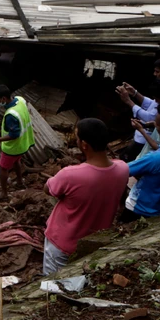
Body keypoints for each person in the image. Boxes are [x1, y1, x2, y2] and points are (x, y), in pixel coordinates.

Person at [42, 118, 129, 275]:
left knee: (53, 284)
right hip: (93, 243)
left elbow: (48, 189)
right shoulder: (123, 169)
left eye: (77, 137)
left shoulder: (70, 174)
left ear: (84, 145)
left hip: (63, 243)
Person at [0, 86, 35, 199]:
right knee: (16, 162)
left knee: (3, 168)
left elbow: (13, 135)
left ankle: (4, 194)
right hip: (24, 142)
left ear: (3, 98)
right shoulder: (20, 100)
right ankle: (20, 182)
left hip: (13, 147)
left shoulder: (11, 115)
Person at [117, 79, 160, 160]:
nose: (155, 102)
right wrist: (135, 93)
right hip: (146, 140)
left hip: (146, 142)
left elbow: (150, 117)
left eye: (156, 99)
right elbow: (152, 106)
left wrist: (128, 101)